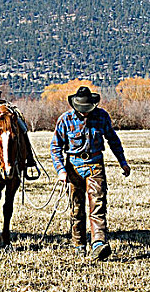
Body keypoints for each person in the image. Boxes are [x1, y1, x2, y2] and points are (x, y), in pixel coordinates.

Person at [50, 86, 131, 261]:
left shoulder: (102, 117)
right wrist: (61, 171)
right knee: (77, 208)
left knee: (98, 205)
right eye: (82, 110)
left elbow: (113, 140)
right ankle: (79, 244)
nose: (85, 113)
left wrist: (122, 162)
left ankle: (98, 244)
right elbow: (55, 147)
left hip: (95, 165)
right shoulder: (65, 120)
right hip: (73, 168)